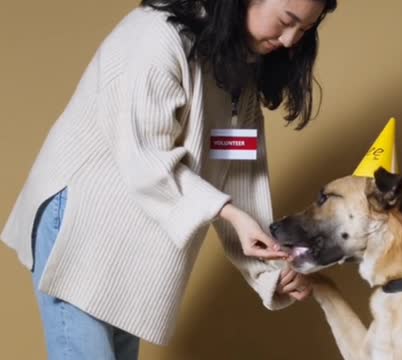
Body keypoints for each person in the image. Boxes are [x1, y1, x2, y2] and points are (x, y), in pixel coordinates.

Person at [0, 0, 337, 358]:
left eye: (303, 30)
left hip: (137, 237)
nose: (289, 40)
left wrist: (272, 272)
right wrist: (230, 214)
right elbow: (147, 157)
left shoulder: (238, 71)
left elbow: (240, 179)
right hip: (81, 223)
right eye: (287, 21)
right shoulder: (158, 35)